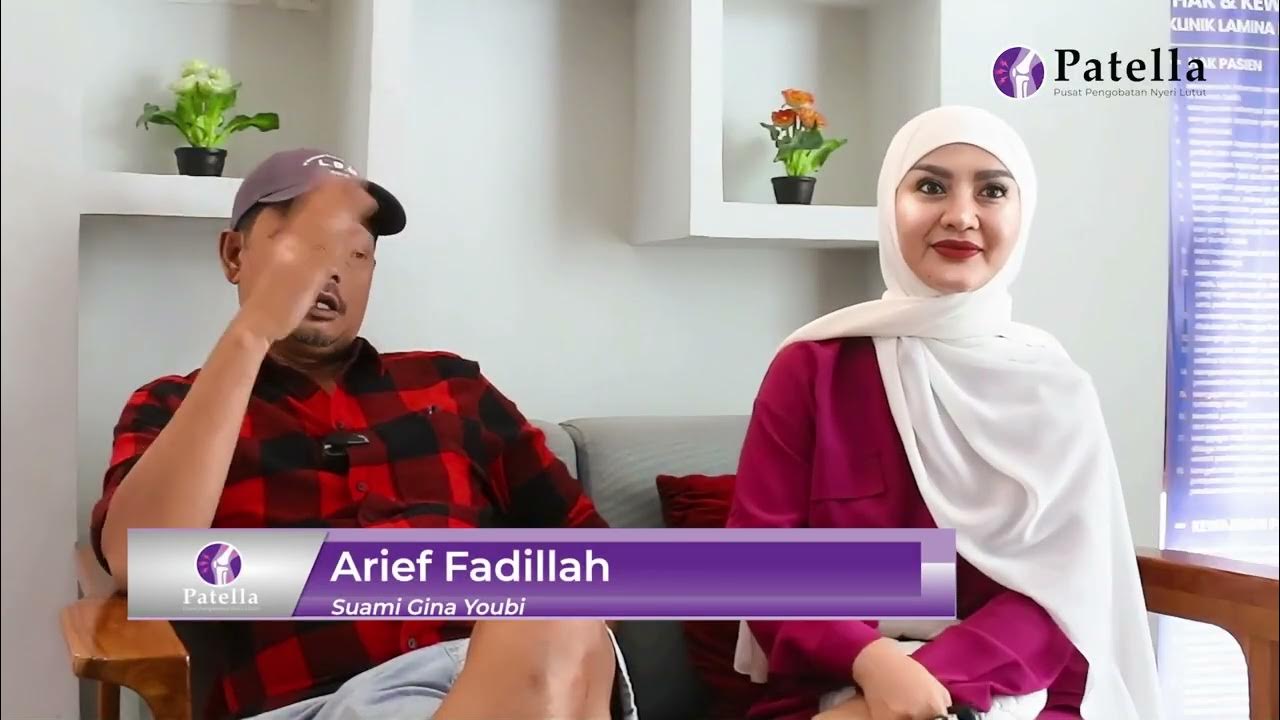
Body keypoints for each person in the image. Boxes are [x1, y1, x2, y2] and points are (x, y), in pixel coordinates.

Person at [89, 148, 637, 720]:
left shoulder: (452, 386)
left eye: (356, 254)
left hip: (498, 676)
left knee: (557, 612)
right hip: (323, 705)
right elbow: (139, 561)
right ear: (234, 254)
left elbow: (597, 558)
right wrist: (253, 331)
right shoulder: (173, 407)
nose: (331, 272)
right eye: (307, 246)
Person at [726, 107, 1162, 720]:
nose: (960, 215)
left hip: (1019, 690)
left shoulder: (1054, 388)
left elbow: (1066, 588)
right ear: (890, 204)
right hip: (833, 685)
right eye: (930, 186)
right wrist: (872, 664)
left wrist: (922, 686)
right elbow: (759, 564)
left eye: (992, 190)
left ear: (1023, 212)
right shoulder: (813, 369)